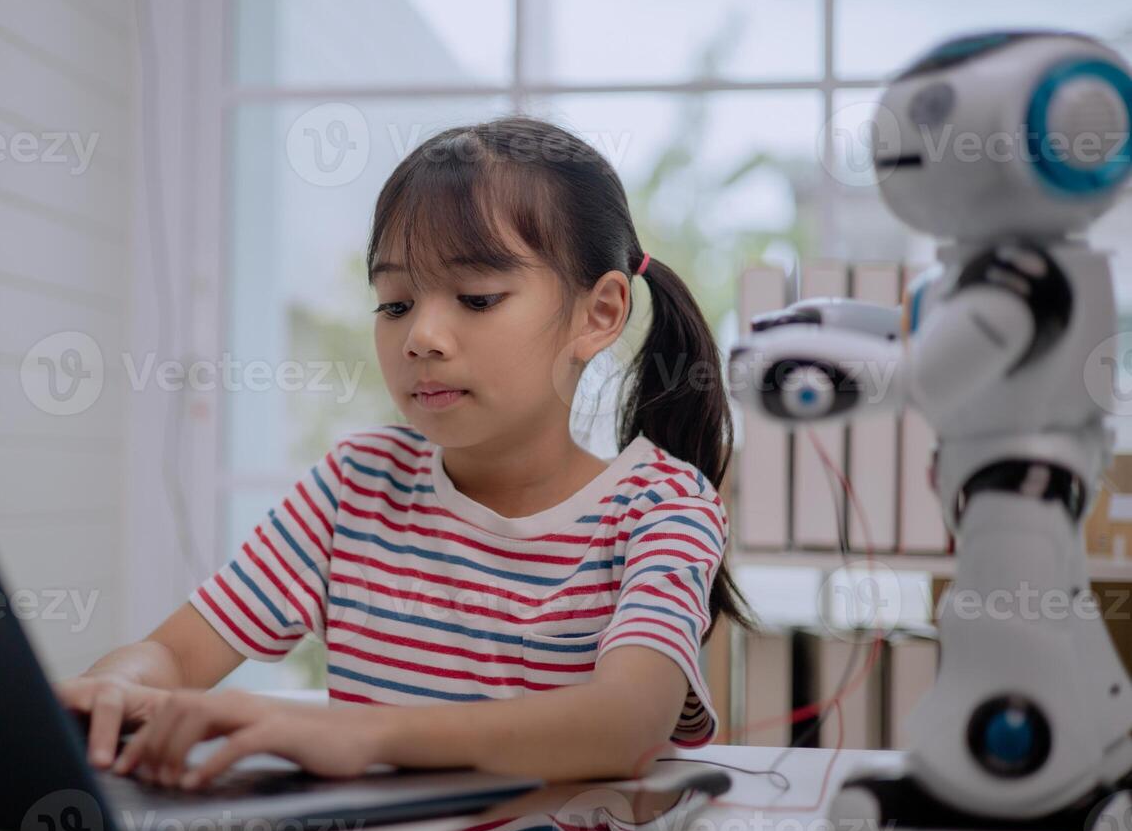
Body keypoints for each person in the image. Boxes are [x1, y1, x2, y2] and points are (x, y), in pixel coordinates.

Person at [56, 116, 755, 792]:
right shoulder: (356, 486)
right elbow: (178, 653)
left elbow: (624, 725)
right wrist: (118, 687)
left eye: (476, 298)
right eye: (394, 305)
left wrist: (361, 735)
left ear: (599, 314)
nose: (420, 336)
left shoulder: (663, 507)